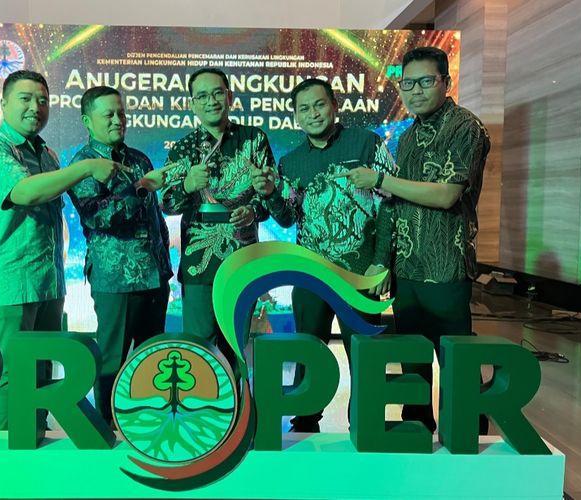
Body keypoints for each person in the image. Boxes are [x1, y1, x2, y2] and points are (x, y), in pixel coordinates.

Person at [0, 70, 126, 430]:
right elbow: (25, 192)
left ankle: (34, 441)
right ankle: (9, 453)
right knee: (10, 373)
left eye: (42, 100)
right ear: (3, 103)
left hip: (47, 281)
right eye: (25, 99)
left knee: (41, 371)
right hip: (8, 281)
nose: (35, 107)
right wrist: (86, 167)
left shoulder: (47, 154)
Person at [343, 47, 491, 434]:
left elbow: (446, 195)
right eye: (407, 84)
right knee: (412, 358)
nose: (416, 91)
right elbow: (393, 204)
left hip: (445, 265)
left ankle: (469, 434)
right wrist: (384, 260)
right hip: (407, 268)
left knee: (455, 358)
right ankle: (417, 429)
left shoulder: (465, 127)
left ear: (446, 82)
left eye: (426, 81)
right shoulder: (406, 137)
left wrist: (381, 179)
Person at [252, 78, 396, 432]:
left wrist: (381, 260)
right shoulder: (291, 162)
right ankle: (304, 420)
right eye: (304, 109)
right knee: (308, 350)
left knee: (364, 353)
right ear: (296, 116)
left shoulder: (366, 143)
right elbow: (287, 217)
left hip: (359, 273)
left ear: (334, 105)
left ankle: (365, 424)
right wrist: (270, 193)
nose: (313, 114)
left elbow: (390, 205)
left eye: (319, 104)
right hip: (311, 275)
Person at [67, 86, 173, 425]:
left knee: (151, 358)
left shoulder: (139, 159)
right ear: (87, 120)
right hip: (116, 278)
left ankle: (146, 424)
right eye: (108, 114)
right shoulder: (83, 164)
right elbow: (99, 217)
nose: (117, 120)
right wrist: (140, 188)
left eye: (121, 113)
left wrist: (164, 265)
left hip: (154, 276)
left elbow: (154, 217)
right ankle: (106, 426)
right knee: (112, 359)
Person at [161, 68, 275, 366]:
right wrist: (187, 185)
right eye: (202, 96)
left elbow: (270, 197)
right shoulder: (183, 148)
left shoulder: (254, 140)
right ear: (192, 104)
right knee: (198, 350)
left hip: (242, 260)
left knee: (235, 347)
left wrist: (253, 211)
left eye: (217, 93)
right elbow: (167, 203)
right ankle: (203, 398)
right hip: (199, 262)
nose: (211, 101)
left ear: (230, 97)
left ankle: (237, 397)